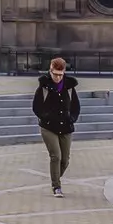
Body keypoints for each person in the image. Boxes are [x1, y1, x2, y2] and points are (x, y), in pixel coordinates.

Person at [32, 56, 80, 197]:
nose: (57, 78)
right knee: (56, 156)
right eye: (55, 74)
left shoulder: (70, 87)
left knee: (65, 160)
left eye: (60, 75)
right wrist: (45, 117)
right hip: (48, 127)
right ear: (50, 70)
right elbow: (36, 107)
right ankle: (56, 187)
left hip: (66, 127)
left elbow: (75, 106)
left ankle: (56, 177)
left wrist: (71, 119)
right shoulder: (43, 86)